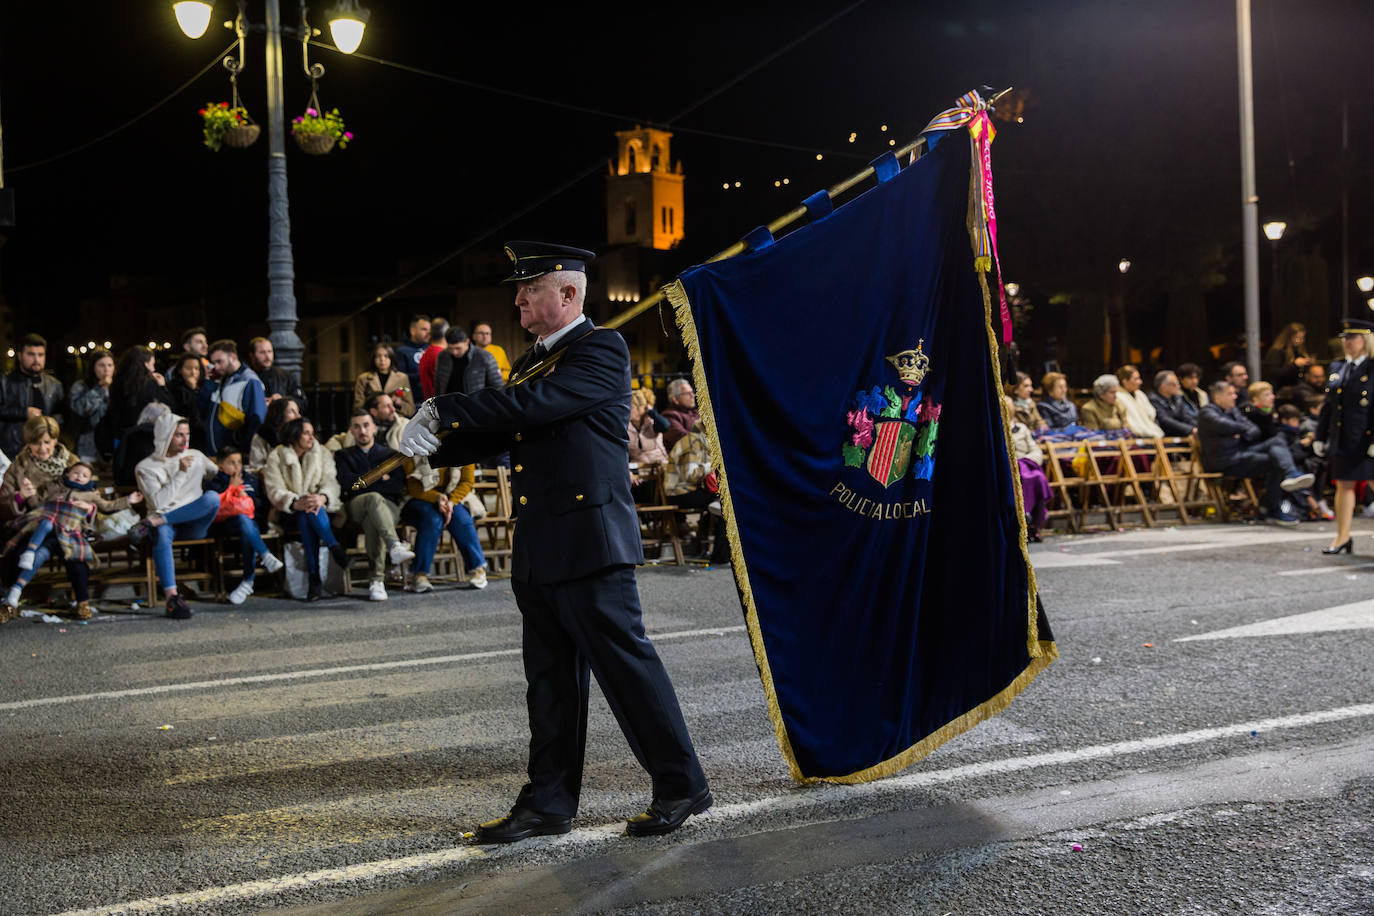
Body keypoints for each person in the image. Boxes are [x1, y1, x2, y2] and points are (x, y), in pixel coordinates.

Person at [397, 241, 710, 841]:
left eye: (530, 287)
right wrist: (436, 445)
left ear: (567, 295)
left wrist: (442, 409)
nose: (517, 297)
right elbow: (512, 429)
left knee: (626, 671)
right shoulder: (529, 364)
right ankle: (548, 803)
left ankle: (681, 783)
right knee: (548, 682)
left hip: (590, 542)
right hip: (541, 541)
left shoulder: (600, 349)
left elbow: (532, 407)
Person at [0, 419, 108, 622]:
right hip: (34, 523)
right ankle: (82, 601)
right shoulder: (19, 467)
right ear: (28, 442)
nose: (42, 448)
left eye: (47, 442)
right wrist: (20, 496)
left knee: (67, 542)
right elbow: (3, 502)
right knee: (54, 538)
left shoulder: (71, 462)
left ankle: (13, 598)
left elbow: (92, 492)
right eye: (36, 443)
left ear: (55, 440)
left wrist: (90, 508)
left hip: (68, 522)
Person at [5, 461, 142, 617]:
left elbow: (108, 507)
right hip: (48, 529)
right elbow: (38, 505)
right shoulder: (54, 487)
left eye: (84, 475)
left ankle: (82, 602)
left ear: (89, 480)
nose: (79, 477)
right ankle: (14, 592)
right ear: (67, 473)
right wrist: (27, 495)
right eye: (76, 473)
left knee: (73, 556)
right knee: (41, 544)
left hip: (71, 532)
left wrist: (126, 500)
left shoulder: (90, 495)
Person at [133, 413, 222, 619]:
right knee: (163, 532)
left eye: (187, 434)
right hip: (166, 523)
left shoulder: (196, 455)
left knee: (212, 498)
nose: (185, 440)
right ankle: (172, 597)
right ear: (165, 436)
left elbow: (216, 473)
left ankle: (155, 521)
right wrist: (181, 473)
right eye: (179, 435)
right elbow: (159, 503)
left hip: (192, 523)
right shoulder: (146, 467)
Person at [1197, 380, 1313, 526]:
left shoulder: (1232, 411)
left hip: (1241, 453)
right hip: (1225, 460)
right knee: (1274, 459)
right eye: (1230, 394)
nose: (1234, 396)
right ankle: (1273, 505)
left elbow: (1254, 431)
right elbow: (1225, 426)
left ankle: (1290, 476)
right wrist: (1242, 429)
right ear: (1218, 397)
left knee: (1276, 443)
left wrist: (1238, 431)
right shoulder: (1207, 412)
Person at [333, 410, 414, 601]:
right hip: (355, 507)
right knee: (373, 499)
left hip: (390, 508)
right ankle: (394, 545)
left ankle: (376, 581)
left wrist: (362, 480)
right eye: (357, 426)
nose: (362, 430)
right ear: (351, 431)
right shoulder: (344, 456)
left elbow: (396, 486)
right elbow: (346, 484)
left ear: (374, 428)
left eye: (366, 425)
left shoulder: (390, 455)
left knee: (373, 519)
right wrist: (379, 478)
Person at [263, 417, 346, 601]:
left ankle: (314, 577)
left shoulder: (321, 452)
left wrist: (322, 497)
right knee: (304, 514)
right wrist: (294, 502)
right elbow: (274, 488)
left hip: (320, 509)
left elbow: (331, 481)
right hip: (288, 511)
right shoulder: (277, 455)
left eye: (312, 433)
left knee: (309, 514)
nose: (311, 437)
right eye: (306, 433)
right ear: (293, 436)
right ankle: (333, 545)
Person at [1314, 319, 1374, 553]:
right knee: (1344, 486)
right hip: (1344, 437)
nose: (1347, 342)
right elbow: (1329, 407)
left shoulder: (1372, 368)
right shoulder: (1338, 368)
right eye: (1345, 338)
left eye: (1352, 338)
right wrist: (1320, 435)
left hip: (1366, 437)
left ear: (1366, 340)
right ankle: (1342, 537)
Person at [206, 445, 284, 604]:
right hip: (225, 526)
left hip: (251, 524)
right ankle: (263, 556)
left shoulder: (250, 480)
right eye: (231, 463)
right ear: (220, 465)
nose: (237, 467)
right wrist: (231, 489)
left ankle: (248, 581)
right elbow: (214, 508)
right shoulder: (213, 483)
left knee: (246, 527)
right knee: (243, 522)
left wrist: (246, 497)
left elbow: (260, 505)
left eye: (239, 462)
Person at [400, 456, 488, 593]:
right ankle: (419, 574)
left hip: (453, 496)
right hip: (420, 497)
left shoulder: (462, 447)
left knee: (461, 519)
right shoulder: (415, 446)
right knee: (432, 520)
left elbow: (467, 482)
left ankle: (478, 568)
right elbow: (413, 487)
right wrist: (437, 498)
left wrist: (451, 502)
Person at [0, 333, 65, 459]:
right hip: (11, 451)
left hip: (44, 452)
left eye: (41, 355)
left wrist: (49, 425)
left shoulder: (54, 385)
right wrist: (24, 412)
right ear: (19, 355)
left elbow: (63, 414)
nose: (37, 360)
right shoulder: (4, 382)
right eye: (31, 354)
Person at [202, 339, 268, 455]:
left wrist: (242, 447)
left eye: (219, 361)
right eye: (214, 363)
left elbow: (256, 418)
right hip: (217, 452)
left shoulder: (250, 380)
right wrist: (209, 383)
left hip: (233, 454)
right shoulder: (223, 379)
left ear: (232, 357)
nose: (216, 367)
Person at [1004, 396, 1049, 542]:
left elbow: (1036, 450)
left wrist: (1024, 462)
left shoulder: (1022, 429)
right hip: (1008, 469)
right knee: (1023, 477)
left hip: (1025, 465)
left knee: (1038, 477)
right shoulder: (995, 431)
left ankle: (1033, 522)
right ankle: (1023, 517)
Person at [1275, 404, 1330, 520]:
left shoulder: (1295, 433)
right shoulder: (1281, 435)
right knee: (1301, 470)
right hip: (1287, 466)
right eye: (1294, 420)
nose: (1297, 424)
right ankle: (1310, 504)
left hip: (1298, 465)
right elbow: (1292, 454)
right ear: (1284, 421)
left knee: (1315, 465)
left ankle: (1313, 503)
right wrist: (1300, 445)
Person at [108, 345, 170, 443]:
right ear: (145, 364)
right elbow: (167, 408)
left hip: (120, 437)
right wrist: (162, 387)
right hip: (144, 437)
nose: (153, 369)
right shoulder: (150, 385)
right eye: (152, 364)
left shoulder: (117, 383)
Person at [68, 348, 115, 463]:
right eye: (101, 365)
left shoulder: (117, 387)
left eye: (110, 365)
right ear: (93, 367)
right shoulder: (81, 386)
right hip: (88, 445)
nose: (106, 369)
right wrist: (99, 388)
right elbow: (81, 409)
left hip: (112, 444)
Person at [433, 326, 503, 397]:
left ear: (467, 341)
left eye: (458, 348)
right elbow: (438, 384)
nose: (454, 352)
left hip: (474, 404)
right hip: (449, 403)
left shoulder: (484, 357)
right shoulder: (442, 356)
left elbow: (497, 386)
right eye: (451, 348)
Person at [628, 388, 670, 503]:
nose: (627, 410)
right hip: (639, 470)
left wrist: (650, 410)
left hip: (659, 466)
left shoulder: (651, 422)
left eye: (631, 407)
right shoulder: (625, 427)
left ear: (640, 408)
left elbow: (665, 426)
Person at [328, 392, 407, 452]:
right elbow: (338, 439)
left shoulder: (404, 425)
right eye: (387, 406)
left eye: (392, 405)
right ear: (374, 411)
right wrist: (333, 451)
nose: (393, 410)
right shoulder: (363, 426)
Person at [353, 343, 415, 418]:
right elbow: (358, 407)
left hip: (395, 419)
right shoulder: (363, 379)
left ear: (391, 358)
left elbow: (411, 409)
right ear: (373, 359)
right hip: (372, 419)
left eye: (386, 356)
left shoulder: (402, 378)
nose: (382, 359)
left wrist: (399, 403)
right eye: (378, 356)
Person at [166, 353, 209, 452]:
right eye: (189, 368)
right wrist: (191, 391)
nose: (193, 372)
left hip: (201, 439)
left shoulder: (206, 388)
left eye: (196, 369)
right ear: (180, 370)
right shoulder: (173, 389)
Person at [248, 337, 306, 408]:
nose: (267, 356)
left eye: (269, 351)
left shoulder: (286, 376)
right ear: (252, 356)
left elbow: (302, 401)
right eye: (262, 352)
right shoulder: (246, 377)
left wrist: (282, 400)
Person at [248, 396, 302, 471]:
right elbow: (256, 466)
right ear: (279, 414)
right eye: (291, 412)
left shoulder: (302, 436)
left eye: (298, 411)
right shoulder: (261, 437)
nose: (298, 416)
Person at [1115, 364, 1164, 437]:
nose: (1140, 382)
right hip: (1136, 436)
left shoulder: (1140, 394)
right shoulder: (1118, 396)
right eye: (1136, 379)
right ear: (1125, 381)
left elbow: (1151, 414)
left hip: (1153, 432)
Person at [1264, 322, 1315, 389]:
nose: (1300, 341)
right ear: (1289, 337)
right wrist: (1295, 365)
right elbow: (1274, 374)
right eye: (1297, 338)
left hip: (1295, 385)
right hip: (1281, 387)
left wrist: (1308, 364)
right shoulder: (1277, 352)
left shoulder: (1298, 351)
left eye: (1302, 338)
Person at [1147, 370, 1197, 437]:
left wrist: (1199, 427)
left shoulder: (1177, 398)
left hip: (1182, 433)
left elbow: (1186, 417)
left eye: (1178, 383)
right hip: (1165, 435)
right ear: (1163, 386)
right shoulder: (1153, 400)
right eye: (1175, 384)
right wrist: (1190, 430)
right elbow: (1164, 420)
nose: (1178, 386)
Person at [394, 314, 432, 396]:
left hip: (432, 400)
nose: (428, 333)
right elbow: (401, 379)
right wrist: (423, 374)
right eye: (424, 329)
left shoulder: (431, 349)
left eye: (429, 330)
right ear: (412, 330)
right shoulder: (402, 351)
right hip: (413, 401)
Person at [660, 378, 700, 450]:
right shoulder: (669, 416)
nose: (692, 396)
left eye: (692, 392)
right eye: (688, 393)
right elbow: (684, 438)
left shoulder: (696, 412)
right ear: (675, 399)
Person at [417, 318, 450, 400]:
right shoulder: (441, 355)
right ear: (446, 334)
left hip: (430, 404)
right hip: (440, 405)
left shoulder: (426, 353)